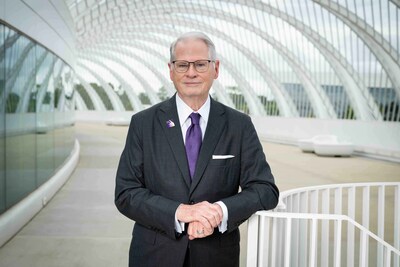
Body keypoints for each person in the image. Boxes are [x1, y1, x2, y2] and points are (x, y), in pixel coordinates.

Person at [115, 31, 279, 267]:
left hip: (216, 257)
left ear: (216, 68)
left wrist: (219, 212)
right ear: (171, 70)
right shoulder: (143, 124)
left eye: (200, 64)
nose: (191, 72)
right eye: (182, 65)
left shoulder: (238, 125)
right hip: (154, 257)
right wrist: (180, 212)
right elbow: (126, 193)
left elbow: (265, 189)